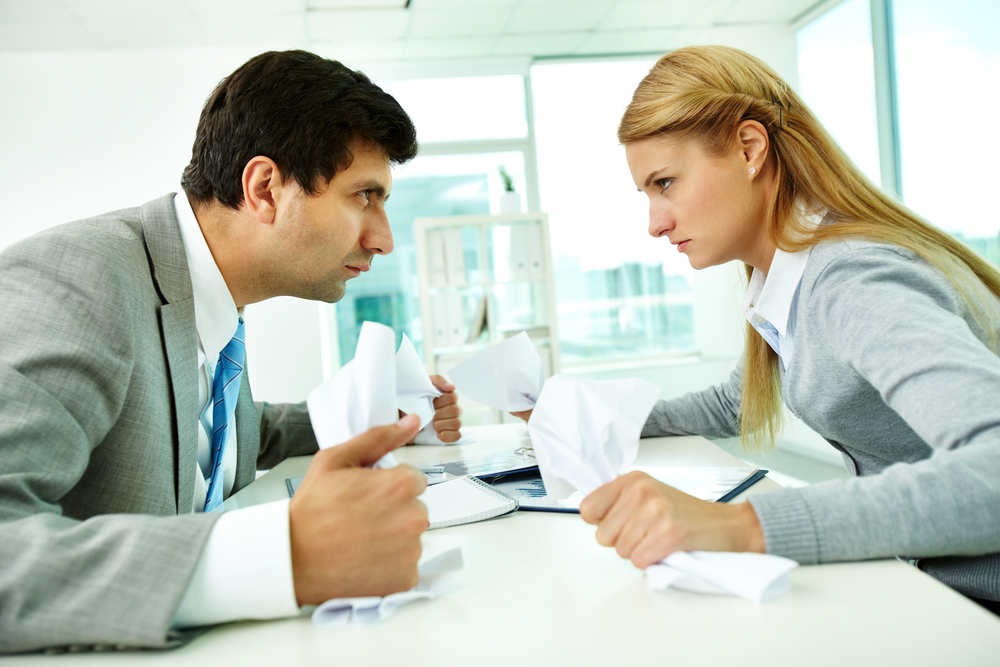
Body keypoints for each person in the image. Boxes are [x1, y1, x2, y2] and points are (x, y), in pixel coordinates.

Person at [0, 50, 463, 654]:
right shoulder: (79, 280)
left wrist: (386, 420)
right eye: (364, 197)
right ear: (266, 189)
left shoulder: (209, 297)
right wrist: (281, 555)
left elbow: (227, 433)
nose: (384, 238)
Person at [575, 45, 1000, 611]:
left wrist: (742, 526)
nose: (655, 223)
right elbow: (738, 402)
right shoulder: (787, 276)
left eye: (666, 183)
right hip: (932, 585)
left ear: (750, 149)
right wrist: (603, 419)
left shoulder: (853, 281)